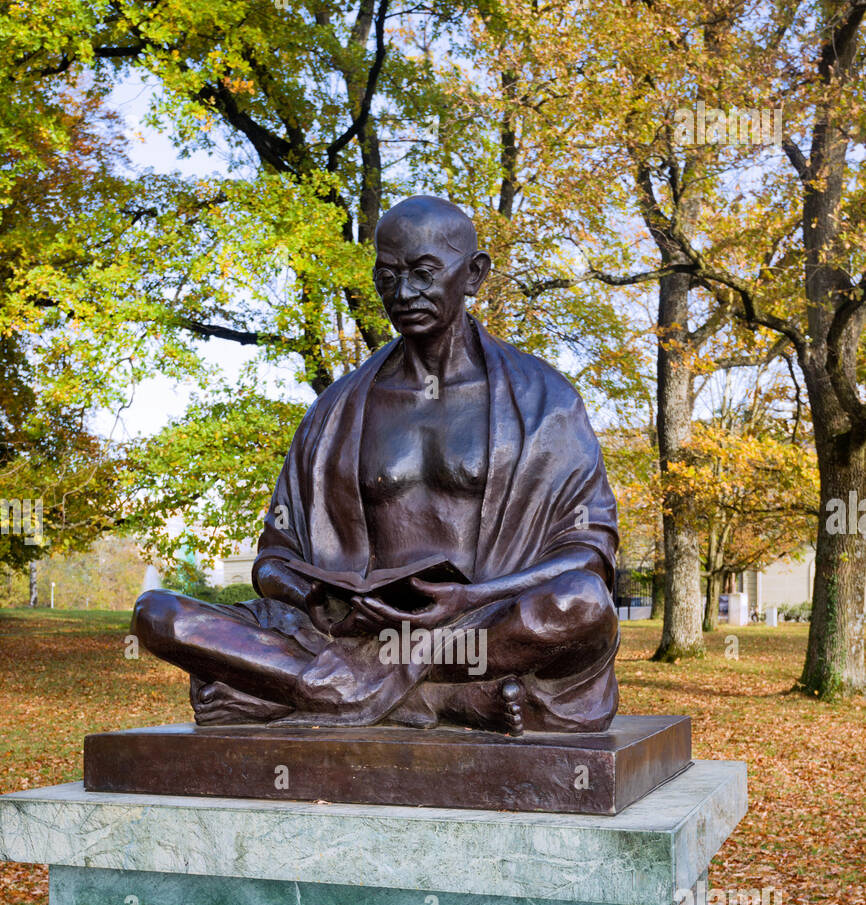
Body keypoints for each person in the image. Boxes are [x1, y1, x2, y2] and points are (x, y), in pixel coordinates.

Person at [132, 196, 619, 734]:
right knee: (158, 614)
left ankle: (322, 688)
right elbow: (275, 559)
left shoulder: (545, 400)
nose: (404, 294)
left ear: (474, 273)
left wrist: (469, 596)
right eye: (388, 278)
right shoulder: (336, 411)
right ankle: (439, 698)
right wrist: (318, 597)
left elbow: (588, 553)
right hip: (348, 634)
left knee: (580, 604)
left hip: (479, 625)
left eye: (423, 273)